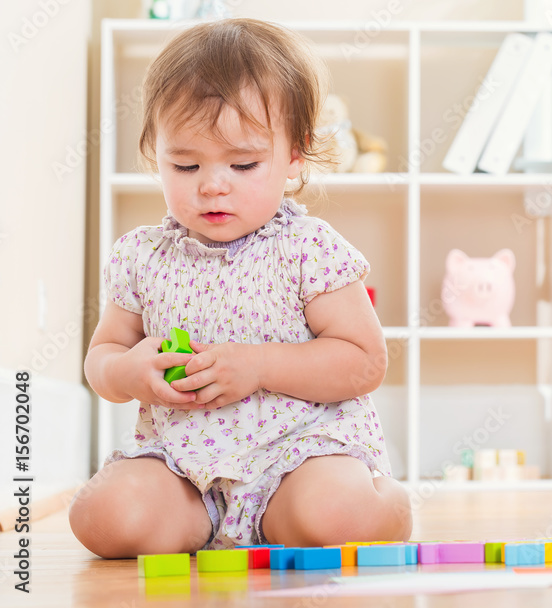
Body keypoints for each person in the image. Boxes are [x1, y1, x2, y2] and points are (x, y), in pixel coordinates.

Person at [69, 18, 412, 558]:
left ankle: (386, 501)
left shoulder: (309, 249)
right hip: (185, 468)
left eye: (244, 163)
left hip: (298, 459)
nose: (212, 184)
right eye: (185, 164)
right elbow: (102, 356)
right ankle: (206, 526)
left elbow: (364, 361)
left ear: (294, 156)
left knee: (335, 516)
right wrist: (127, 370)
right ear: (154, 151)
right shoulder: (141, 255)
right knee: (102, 517)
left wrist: (258, 366)